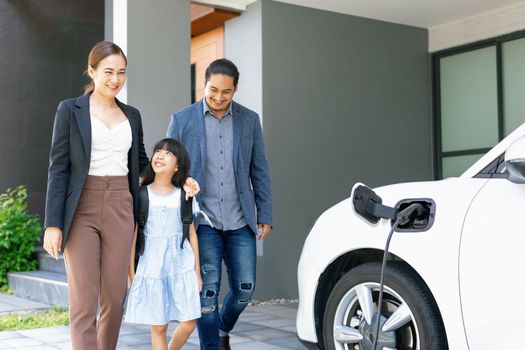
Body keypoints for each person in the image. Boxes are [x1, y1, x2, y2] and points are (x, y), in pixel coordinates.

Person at [42, 41, 198, 350]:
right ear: (92, 71)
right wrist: (53, 224)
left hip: (121, 206)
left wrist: (182, 181)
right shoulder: (69, 110)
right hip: (81, 208)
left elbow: (142, 164)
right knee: (84, 301)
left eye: (122, 73)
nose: (115, 79)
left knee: (115, 298)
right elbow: (58, 167)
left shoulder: (132, 115)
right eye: (108, 72)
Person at [167, 58, 272, 350]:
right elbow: (166, 168)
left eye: (226, 92)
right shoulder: (182, 119)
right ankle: (210, 346)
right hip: (203, 223)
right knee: (207, 294)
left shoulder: (249, 120)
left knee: (244, 290)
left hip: (241, 221)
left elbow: (259, 170)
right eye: (213, 89)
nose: (218, 97)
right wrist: (181, 184)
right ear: (204, 84)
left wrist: (265, 213)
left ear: (235, 89)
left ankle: (224, 327)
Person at [125, 138, 203, 350]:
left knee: (188, 322)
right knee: (159, 326)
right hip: (152, 265)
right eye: (157, 151)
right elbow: (133, 237)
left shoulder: (184, 195)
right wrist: (131, 274)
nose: (160, 155)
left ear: (177, 166)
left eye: (168, 153)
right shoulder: (141, 194)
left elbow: (192, 234)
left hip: (181, 263)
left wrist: (197, 272)